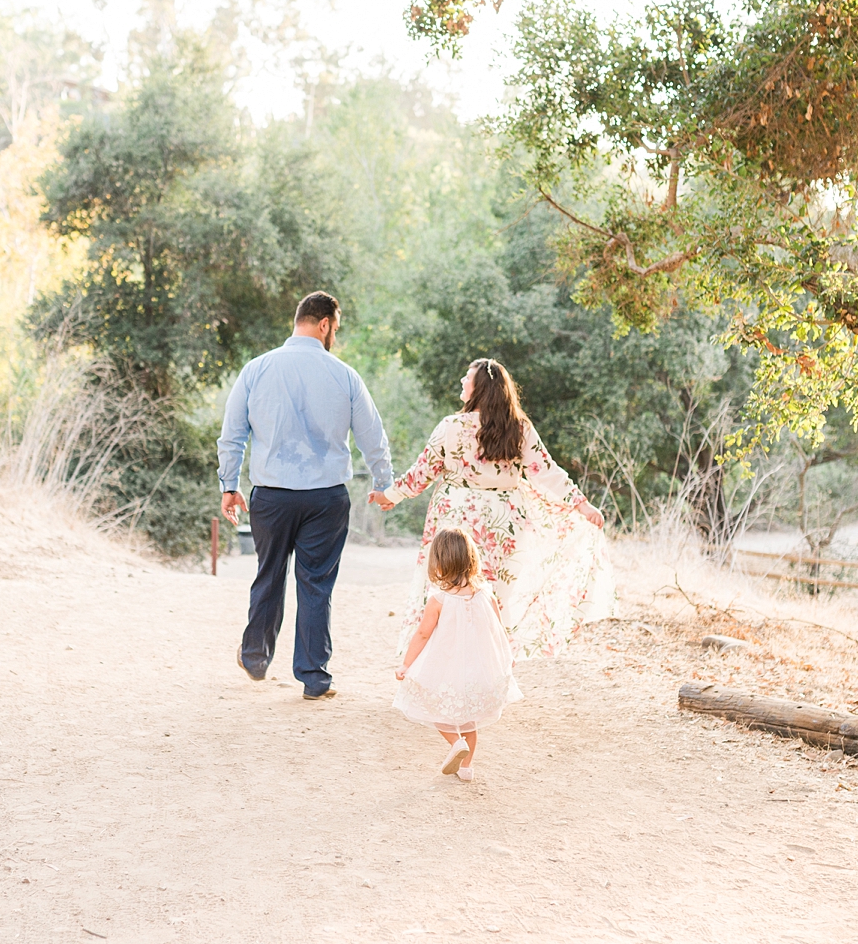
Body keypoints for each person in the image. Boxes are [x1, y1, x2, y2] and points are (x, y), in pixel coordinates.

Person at [371, 357, 613, 660]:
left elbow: (422, 472)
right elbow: (546, 470)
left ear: (481, 388)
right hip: (504, 524)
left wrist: (390, 495)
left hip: (454, 520)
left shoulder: (451, 426)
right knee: (493, 597)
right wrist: (582, 504)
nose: (462, 381)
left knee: (446, 592)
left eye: (467, 378)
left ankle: (442, 664)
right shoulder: (519, 428)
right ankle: (489, 666)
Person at [218, 291, 394, 700]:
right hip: (325, 498)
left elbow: (232, 435)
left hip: (272, 496)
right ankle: (314, 677)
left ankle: (255, 656)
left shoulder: (257, 369)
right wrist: (382, 484)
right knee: (316, 585)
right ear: (325, 324)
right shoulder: (345, 376)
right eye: (336, 329)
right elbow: (373, 436)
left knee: (269, 573)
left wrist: (230, 486)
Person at [393, 528, 520, 782]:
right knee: (470, 722)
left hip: (448, 670)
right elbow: (498, 629)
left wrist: (406, 665)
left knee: (436, 709)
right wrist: (506, 658)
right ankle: (466, 769)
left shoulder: (439, 600)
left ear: (438, 563)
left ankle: (455, 743)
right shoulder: (485, 594)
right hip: (478, 671)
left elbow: (422, 635)